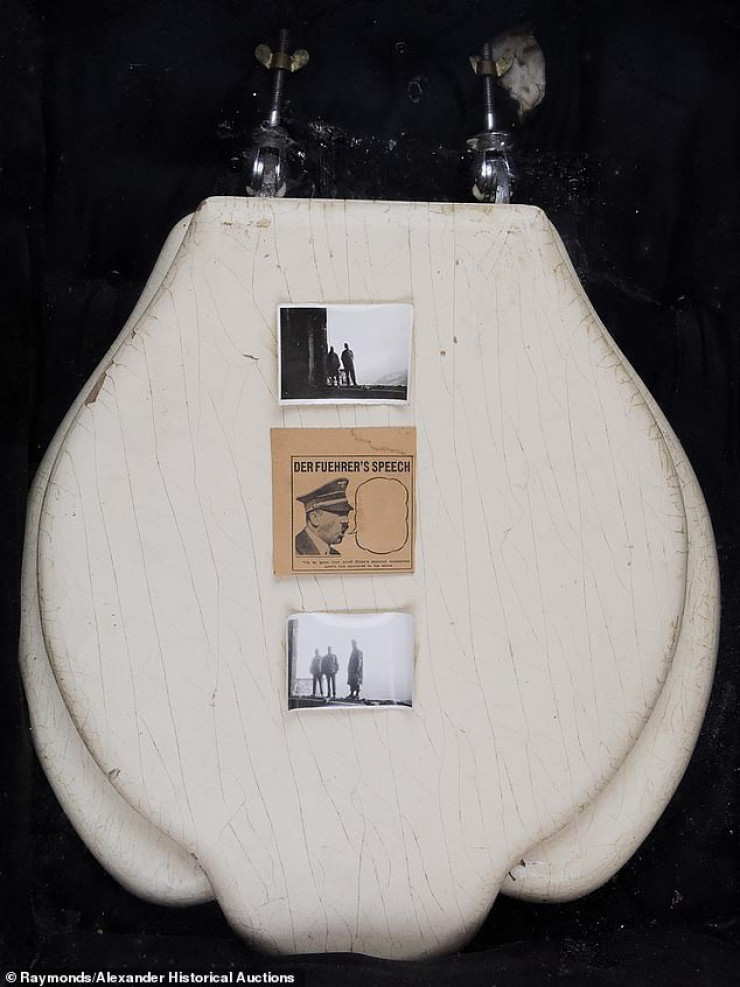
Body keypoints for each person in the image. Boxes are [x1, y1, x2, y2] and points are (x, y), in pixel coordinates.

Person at [294, 478, 352, 556]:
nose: (346, 521)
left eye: (346, 513)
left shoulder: (335, 554)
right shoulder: (294, 551)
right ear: (314, 518)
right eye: (339, 513)